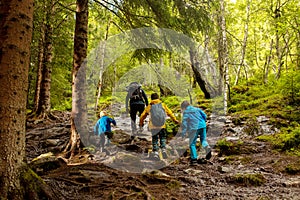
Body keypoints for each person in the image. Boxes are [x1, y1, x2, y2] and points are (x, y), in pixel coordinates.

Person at [139, 93, 179, 160]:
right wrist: (175, 120)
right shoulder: (162, 105)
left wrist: (141, 123)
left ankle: (156, 153)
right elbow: (169, 113)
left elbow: (143, 115)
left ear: (151, 99)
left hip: (153, 126)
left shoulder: (150, 106)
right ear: (158, 98)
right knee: (162, 137)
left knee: (155, 139)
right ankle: (163, 149)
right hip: (162, 125)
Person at [180, 100, 212, 165]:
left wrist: (183, 133)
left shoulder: (186, 113)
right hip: (203, 126)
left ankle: (194, 160)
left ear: (184, 107)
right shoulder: (197, 109)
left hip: (194, 128)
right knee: (203, 139)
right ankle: (207, 147)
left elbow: (184, 124)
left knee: (192, 143)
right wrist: (203, 121)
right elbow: (204, 115)